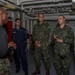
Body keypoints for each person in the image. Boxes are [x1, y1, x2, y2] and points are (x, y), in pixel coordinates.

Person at [0, 7, 16, 75]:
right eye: (6, 14)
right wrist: (11, 47)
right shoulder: (2, 30)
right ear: (1, 15)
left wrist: (7, 45)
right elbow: (3, 53)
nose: (7, 17)